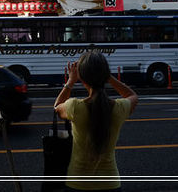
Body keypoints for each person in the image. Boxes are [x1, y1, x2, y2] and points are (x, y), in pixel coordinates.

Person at [54, 51, 138, 191]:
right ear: (105, 74)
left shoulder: (75, 107)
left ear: (82, 77)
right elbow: (132, 95)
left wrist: (70, 81)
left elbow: (57, 106)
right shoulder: (119, 108)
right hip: (110, 184)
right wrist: (108, 77)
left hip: (77, 183)